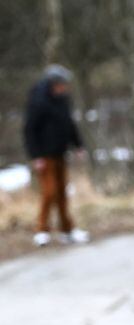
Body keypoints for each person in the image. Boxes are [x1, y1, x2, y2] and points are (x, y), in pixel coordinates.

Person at [23, 64, 89, 247]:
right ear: (53, 83)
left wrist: (78, 145)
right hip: (45, 156)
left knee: (62, 193)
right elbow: (30, 130)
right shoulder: (38, 101)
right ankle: (41, 230)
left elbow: (69, 124)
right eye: (62, 84)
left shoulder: (63, 100)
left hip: (61, 153)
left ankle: (67, 230)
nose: (65, 87)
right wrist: (36, 156)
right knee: (49, 192)